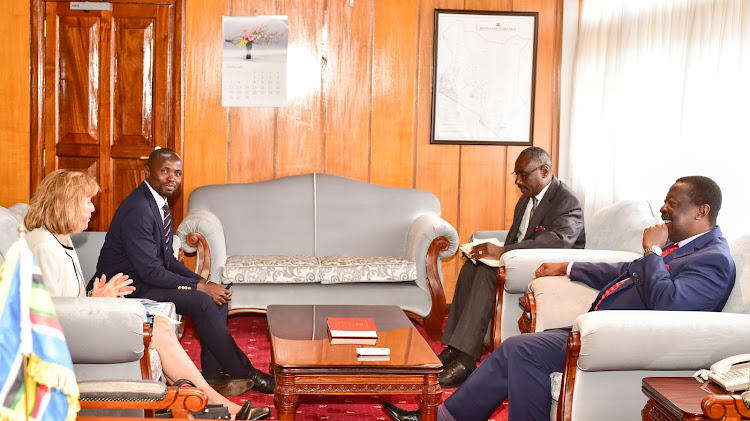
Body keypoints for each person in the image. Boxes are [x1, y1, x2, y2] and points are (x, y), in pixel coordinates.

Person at [382, 175, 735, 421]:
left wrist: (654, 251)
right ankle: (444, 417)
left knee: (523, 352)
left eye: (672, 204)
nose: (663, 209)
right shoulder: (686, 248)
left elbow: (669, 304)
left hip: (622, 339)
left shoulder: (714, 259)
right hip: (598, 326)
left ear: (701, 211)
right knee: (515, 349)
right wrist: (567, 267)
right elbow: (626, 270)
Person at [24, 169, 270, 420]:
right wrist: (95, 303)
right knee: (158, 330)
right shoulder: (44, 246)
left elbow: (66, 305)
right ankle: (218, 406)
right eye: (87, 201)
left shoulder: (59, 239)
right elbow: (50, 320)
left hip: (82, 328)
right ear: (66, 204)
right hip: (73, 342)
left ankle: (208, 404)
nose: (92, 209)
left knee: (159, 325)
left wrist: (94, 300)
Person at [93, 148, 275, 397]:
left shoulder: (158, 204)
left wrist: (203, 281)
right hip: (126, 286)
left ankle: (213, 374)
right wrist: (200, 288)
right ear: (147, 172)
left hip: (144, 277)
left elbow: (166, 260)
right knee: (202, 301)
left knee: (216, 297)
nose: (172, 178)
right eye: (165, 171)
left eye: (177, 173)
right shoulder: (138, 209)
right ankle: (245, 371)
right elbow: (152, 272)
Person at [439, 146, 586, 387]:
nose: (517, 181)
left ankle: (466, 359)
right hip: (522, 260)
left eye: (523, 174)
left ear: (544, 171)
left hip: (550, 269)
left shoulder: (567, 201)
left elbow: (558, 242)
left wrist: (503, 253)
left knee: (489, 271)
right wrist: (493, 250)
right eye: (515, 174)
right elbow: (518, 237)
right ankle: (455, 348)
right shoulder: (526, 199)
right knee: (472, 265)